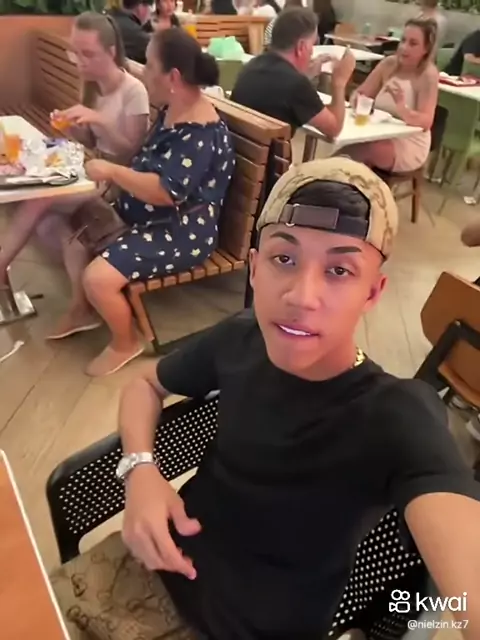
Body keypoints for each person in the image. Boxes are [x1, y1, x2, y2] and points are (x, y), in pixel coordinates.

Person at [51, 157, 480, 640]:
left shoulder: (400, 415)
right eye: (284, 259)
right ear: (255, 269)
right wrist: (141, 471)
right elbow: (144, 384)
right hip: (153, 564)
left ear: (372, 293)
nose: (301, 296)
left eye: (339, 269)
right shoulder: (241, 338)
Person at [50, 28, 234, 377]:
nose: (141, 71)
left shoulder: (200, 133)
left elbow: (166, 192)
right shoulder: (175, 109)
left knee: (97, 279)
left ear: (173, 77)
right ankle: (82, 309)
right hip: (148, 217)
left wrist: (113, 172)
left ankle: (125, 342)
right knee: (71, 232)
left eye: (149, 65)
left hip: (181, 231)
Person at [0, 12, 150, 293]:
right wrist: (72, 127)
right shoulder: (91, 84)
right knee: (42, 208)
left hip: (119, 180)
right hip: (93, 168)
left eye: (88, 54)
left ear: (111, 52)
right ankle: (77, 280)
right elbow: (90, 141)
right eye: (76, 53)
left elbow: (133, 149)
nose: (80, 62)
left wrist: (99, 119)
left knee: (38, 199)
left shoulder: (134, 91)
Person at [231, 7, 355, 137]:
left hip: (243, 147)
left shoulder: (252, 66)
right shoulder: (296, 85)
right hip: (270, 149)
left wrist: (307, 75)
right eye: (312, 44)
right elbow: (334, 129)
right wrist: (339, 83)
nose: (312, 52)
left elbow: (281, 91)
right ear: (301, 47)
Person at [344, 19, 438, 173]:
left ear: (426, 49)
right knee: (350, 149)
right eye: (403, 40)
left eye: (413, 44)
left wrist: (402, 108)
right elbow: (361, 93)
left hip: (409, 142)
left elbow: (426, 122)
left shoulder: (428, 75)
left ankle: (323, 177)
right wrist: (357, 100)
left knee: (357, 152)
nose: (404, 47)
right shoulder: (388, 64)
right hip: (378, 131)